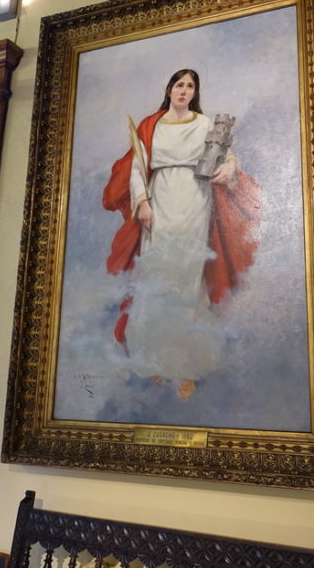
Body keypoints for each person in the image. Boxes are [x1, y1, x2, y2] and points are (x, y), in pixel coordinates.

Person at [103, 69, 261, 399]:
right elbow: (138, 167)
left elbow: (226, 155)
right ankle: (154, 360)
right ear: (169, 89)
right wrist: (142, 202)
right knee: (157, 275)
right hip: (159, 199)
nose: (184, 91)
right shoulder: (152, 124)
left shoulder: (204, 124)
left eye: (190, 86)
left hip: (194, 199)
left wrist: (229, 167)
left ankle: (186, 366)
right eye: (179, 85)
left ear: (194, 92)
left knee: (187, 278)